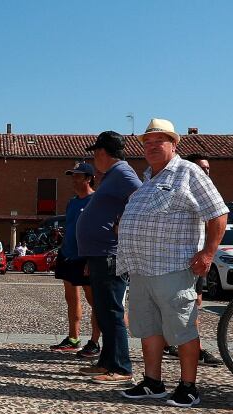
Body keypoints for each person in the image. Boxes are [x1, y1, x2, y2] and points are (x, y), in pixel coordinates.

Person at [116, 119, 229, 407]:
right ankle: (153, 382)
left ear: (174, 145)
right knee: (148, 328)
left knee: (182, 328)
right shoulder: (148, 178)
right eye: (148, 143)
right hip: (141, 269)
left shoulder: (188, 172)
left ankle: (189, 386)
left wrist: (208, 253)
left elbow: (218, 213)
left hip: (173, 268)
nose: (152, 147)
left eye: (159, 142)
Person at [77, 130, 141, 385]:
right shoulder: (113, 175)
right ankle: (106, 361)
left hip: (110, 254)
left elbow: (143, 196)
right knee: (103, 311)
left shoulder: (124, 173)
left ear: (102, 153)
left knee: (112, 311)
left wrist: (124, 223)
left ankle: (122, 367)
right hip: (99, 253)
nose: (94, 159)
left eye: (94, 154)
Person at [160, 152, 222, 367]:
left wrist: (208, 252)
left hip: (198, 258)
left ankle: (188, 345)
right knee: (178, 303)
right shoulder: (185, 191)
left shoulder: (207, 194)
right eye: (201, 168)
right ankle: (185, 345)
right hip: (180, 260)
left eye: (207, 169)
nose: (205, 172)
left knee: (195, 301)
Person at [50, 162, 101, 358]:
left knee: (94, 301)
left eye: (78, 176)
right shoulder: (72, 202)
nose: (74, 179)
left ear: (89, 178)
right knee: (71, 298)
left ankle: (95, 342)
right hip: (67, 255)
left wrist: (91, 259)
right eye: (72, 175)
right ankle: (73, 338)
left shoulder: (96, 200)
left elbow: (97, 230)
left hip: (86, 257)